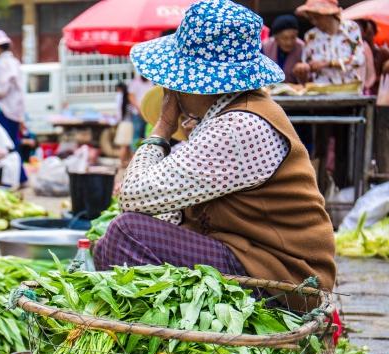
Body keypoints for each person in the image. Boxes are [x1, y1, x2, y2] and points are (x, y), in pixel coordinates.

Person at [95, 0, 336, 292]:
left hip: (283, 278)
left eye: (174, 83)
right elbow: (166, 208)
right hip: (247, 256)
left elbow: (133, 197)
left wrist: (163, 127)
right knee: (106, 244)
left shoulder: (238, 126)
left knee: (126, 233)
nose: (171, 90)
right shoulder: (227, 115)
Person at [292, 0, 365, 87]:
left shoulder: (351, 28)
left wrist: (328, 63)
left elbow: (359, 60)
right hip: (321, 89)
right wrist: (302, 70)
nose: (315, 22)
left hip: (349, 87)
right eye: (311, 19)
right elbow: (308, 68)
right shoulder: (311, 36)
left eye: (318, 17)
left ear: (329, 14)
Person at [0, 29, 28, 186]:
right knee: (13, 144)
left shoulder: (2, 64)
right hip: (14, 110)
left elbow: (1, 90)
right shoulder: (13, 61)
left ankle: (15, 178)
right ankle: (20, 176)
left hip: (5, 110)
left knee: (8, 146)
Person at [262, 14, 305, 84]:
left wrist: (304, 69)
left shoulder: (301, 47)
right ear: (276, 38)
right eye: (285, 38)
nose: (289, 42)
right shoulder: (265, 46)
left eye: (293, 37)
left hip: (294, 88)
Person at [356, 18, 389, 95]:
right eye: (365, 34)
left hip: (378, 93)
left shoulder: (383, 52)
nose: (366, 37)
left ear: (374, 33)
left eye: (369, 33)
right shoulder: (358, 52)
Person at [126, 74, 153, 152]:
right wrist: (140, 109)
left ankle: (144, 152)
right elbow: (131, 97)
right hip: (137, 113)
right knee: (137, 135)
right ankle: (134, 153)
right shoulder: (135, 82)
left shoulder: (151, 82)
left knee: (147, 135)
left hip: (148, 113)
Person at [113, 81, 133, 165]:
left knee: (124, 146)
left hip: (123, 123)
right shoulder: (128, 97)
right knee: (128, 146)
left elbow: (118, 112)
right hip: (129, 123)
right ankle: (125, 163)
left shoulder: (119, 97)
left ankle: (122, 163)